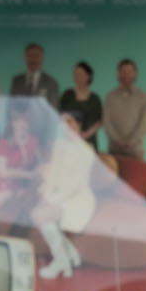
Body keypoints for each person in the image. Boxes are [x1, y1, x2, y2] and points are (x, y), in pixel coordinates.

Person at [31, 111, 100, 280]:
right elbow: (52, 174)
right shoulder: (59, 145)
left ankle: (61, 262)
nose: (67, 128)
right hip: (58, 195)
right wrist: (47, 196)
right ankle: (71, 255)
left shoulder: (87, 150)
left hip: (78, 198)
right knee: (37, 213)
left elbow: (76, 184)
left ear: (79, 126)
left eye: (71, 124)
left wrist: (53, 200)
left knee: (39, 215)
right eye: (64, 124)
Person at [103, 58, 146, 161]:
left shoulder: (143, 97)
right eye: (123, 71)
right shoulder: (110, 97)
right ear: (119, 74)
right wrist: (117, 140)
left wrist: (131, 141)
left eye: (129, 71)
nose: (126, 75)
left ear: (135, 74)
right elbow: (106, 122)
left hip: (135, 151)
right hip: (114, 151)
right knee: (112, 178)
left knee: (137, 177)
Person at [57, 61, 103, 146]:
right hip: (70, 141)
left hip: (89, 142)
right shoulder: (67, 95)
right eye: (76, 74)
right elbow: (61, 115)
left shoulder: (95, 99)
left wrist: (86, 134)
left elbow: (100, 120)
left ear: (89, 76)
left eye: (81, 74)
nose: (78, 77)